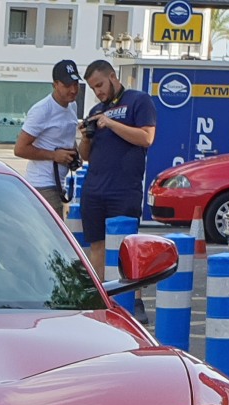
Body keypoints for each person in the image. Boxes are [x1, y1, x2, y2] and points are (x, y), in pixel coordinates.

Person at [77, 60, 157, 321]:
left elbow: (146, 138)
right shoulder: (95, 110)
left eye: (100, 85)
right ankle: (101, 299)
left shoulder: (138, 101)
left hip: (124, 188)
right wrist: (85, 136)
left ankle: (135, 302)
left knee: (127, 248)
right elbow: (85, 156)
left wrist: (110, 123)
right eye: (93, 88)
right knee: (97, 246)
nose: (98, 92)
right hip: (95, 187)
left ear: (113, 77)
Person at [13, 59, 82, 217]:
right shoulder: (42, 110)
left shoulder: (72, 106)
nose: (73, 90)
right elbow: (20, 149)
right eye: (67, 85)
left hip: (61, 183)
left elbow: (65, 138)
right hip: (42, 184)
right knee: (53, 237)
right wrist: (54, 156)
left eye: (76, 84)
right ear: (55, 84)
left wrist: (73, 154)